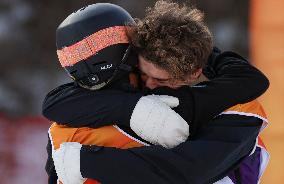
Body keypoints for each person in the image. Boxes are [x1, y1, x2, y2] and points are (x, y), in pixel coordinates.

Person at [43, 1, 270, 184]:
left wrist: (85, 161)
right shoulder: (85, 113)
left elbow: (192, 170)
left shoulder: (237, 109)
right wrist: (131, 109)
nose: (149, 85)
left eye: (162, 79)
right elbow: (53, 103)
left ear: (193, 73)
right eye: (142, 73)